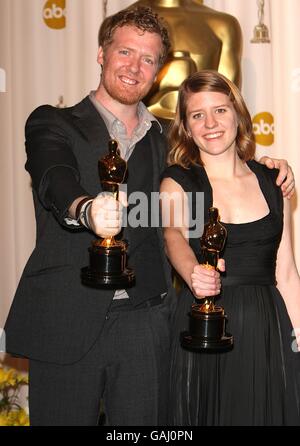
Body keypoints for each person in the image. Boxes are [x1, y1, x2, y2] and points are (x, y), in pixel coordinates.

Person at [2, 6, 294, 426]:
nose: (134, 67)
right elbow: (54, 176)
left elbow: (216, 160)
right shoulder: (54, 122)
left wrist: (268, 165)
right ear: (102, 54)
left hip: (146, 326)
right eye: (125, 52)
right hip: (65, 320)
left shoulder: (166, 139)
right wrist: (85, 209)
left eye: (148, 59)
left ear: (158, 71)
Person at [160, 70, 300, 426]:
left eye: (220, 110)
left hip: (267, 330)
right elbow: (173, 236)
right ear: (186, 128)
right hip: (205, 330)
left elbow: (286, 270)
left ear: (238, 114)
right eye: (197, 115)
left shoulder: (274, 181)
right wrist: (193, 272)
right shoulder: (177, 181)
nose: (210, 123)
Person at [129, 0, 242, 119]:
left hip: (201, 131)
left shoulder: (223, 25)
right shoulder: (120, 24)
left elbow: (227, 100)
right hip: (137, 131)